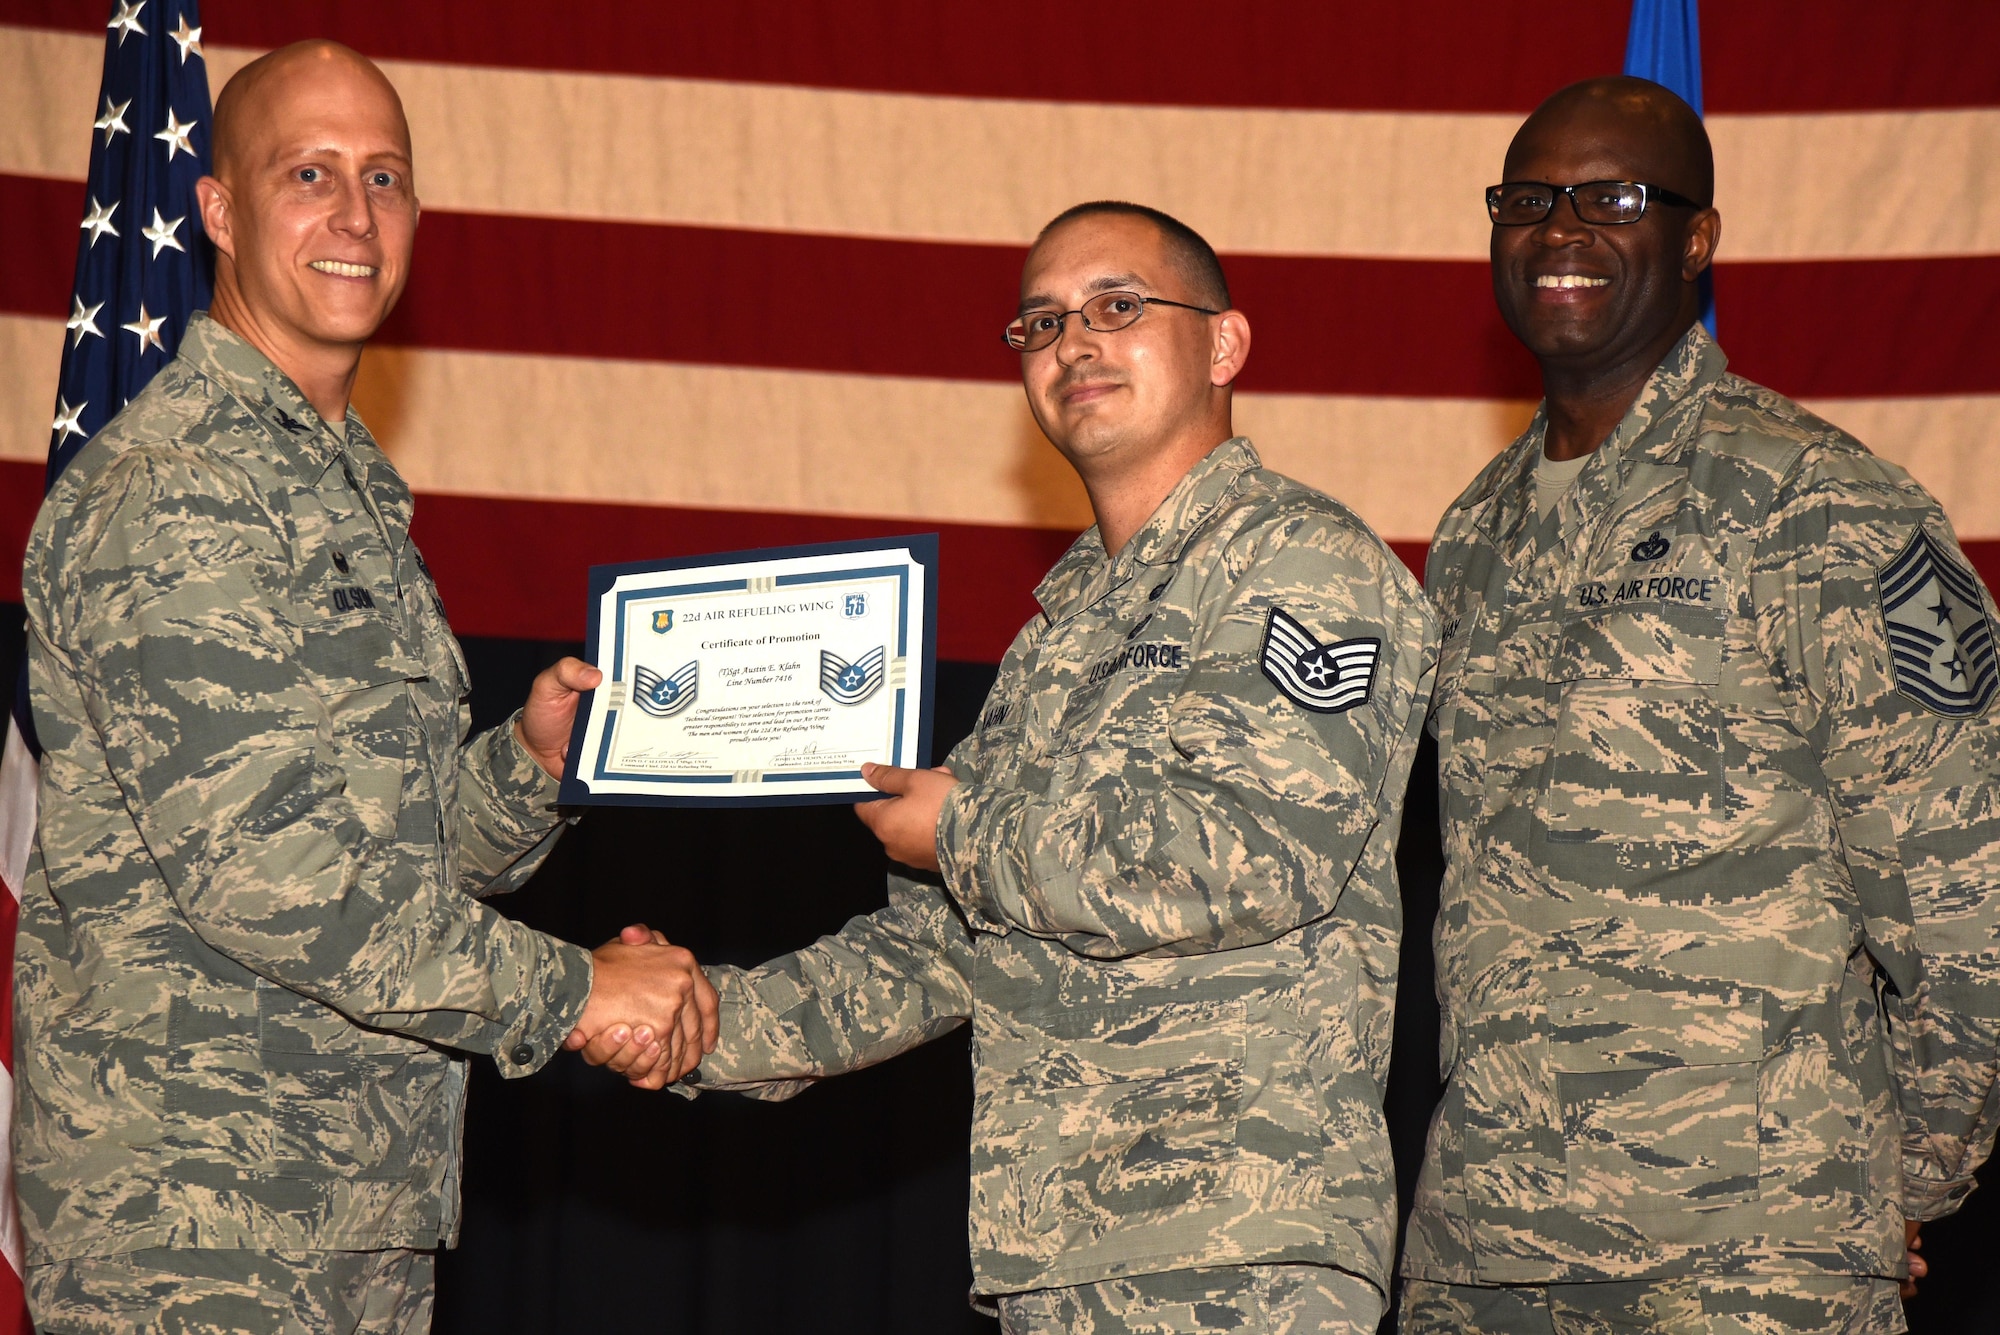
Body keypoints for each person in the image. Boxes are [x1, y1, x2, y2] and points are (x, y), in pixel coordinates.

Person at [585, 200, 1437, 1331]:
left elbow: (1258, 852)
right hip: (1058, 1257)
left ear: (1223, 344)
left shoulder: (1303, 563)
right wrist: (701, 1024)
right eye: (1038, 326)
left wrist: (965, 828)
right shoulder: (1064, 628)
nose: (1072, 344)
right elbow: (946, 944)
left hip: (1232, 1252)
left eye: (1116, 308)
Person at [16, 41, 714, 1333]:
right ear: (219, 210)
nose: (354, 214)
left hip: (348, 1192)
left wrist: (529, 766)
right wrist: (576, 994)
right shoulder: (178, 490)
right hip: (196, 1209)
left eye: (385, 175)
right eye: (310, 173)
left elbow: (393, 851)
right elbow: (274, 881)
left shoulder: (344, 485)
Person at [1400, 76, 2000, 1334]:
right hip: (1487, 1249)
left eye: (1610, 197)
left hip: (1744, 1252)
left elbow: (1961, 886)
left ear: (1695, 238)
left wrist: (1898, 1184)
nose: (1557, 231)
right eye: (1525, 200)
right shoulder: (1471, 533)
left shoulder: (1819, 506)